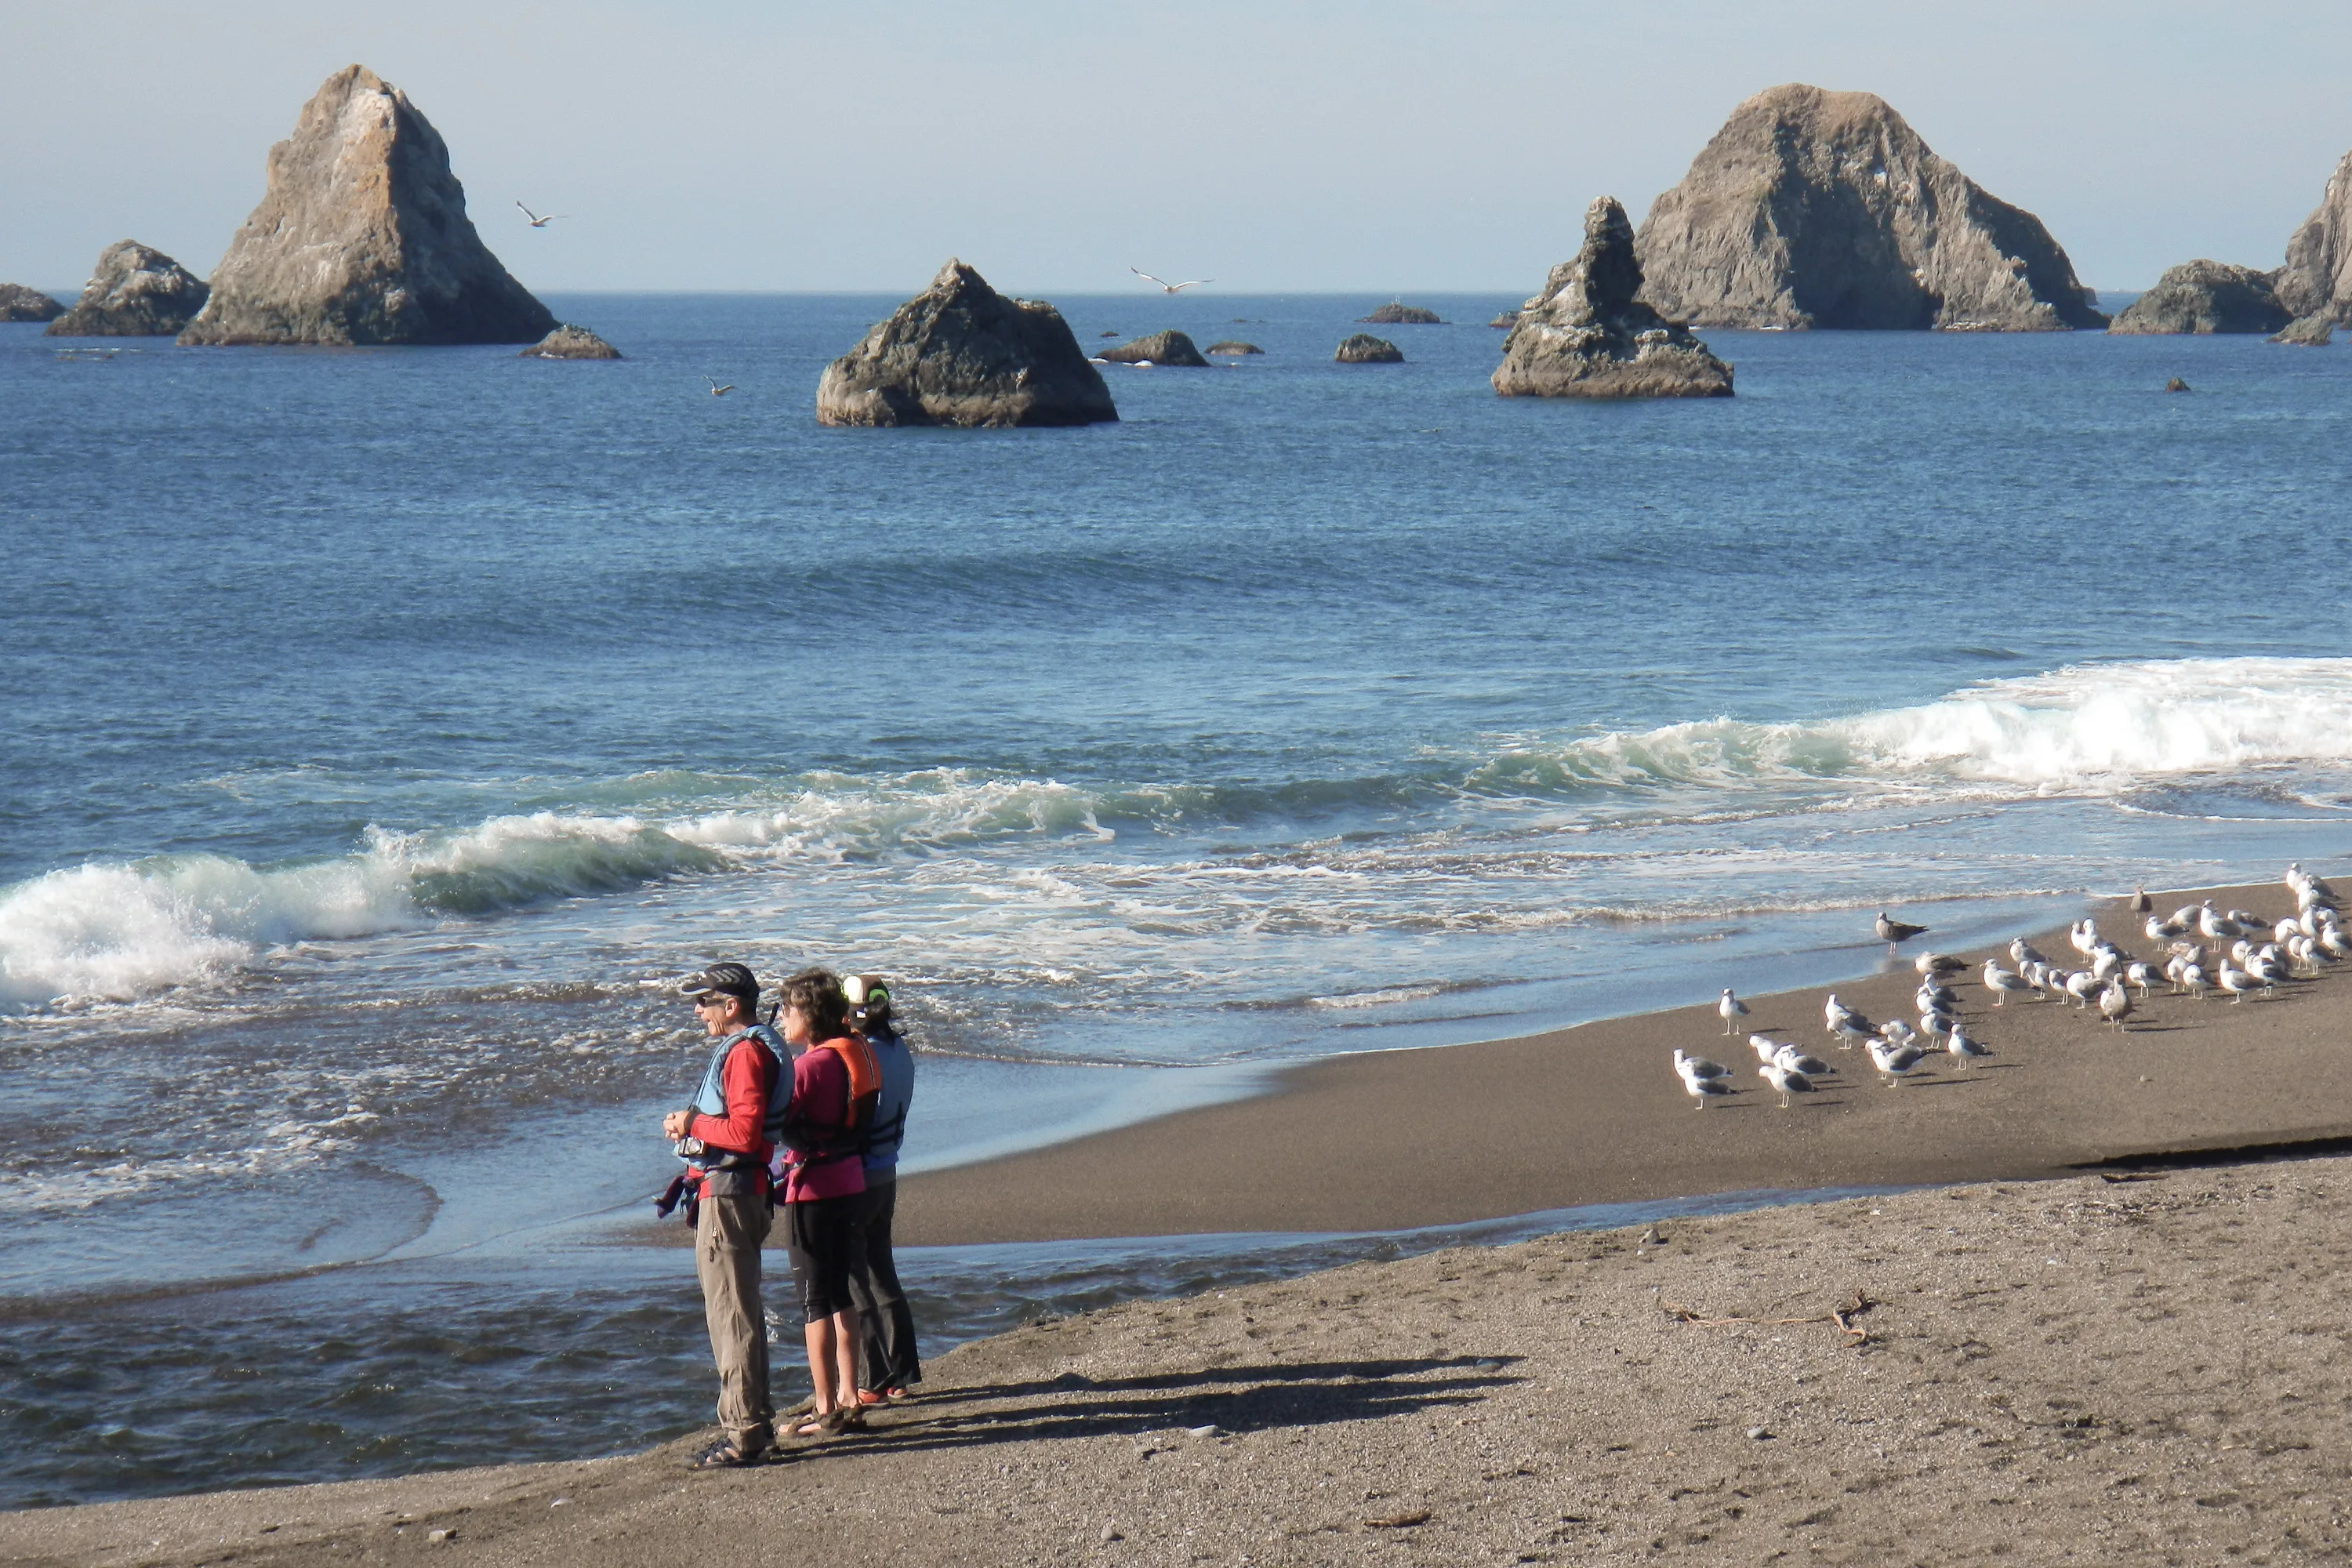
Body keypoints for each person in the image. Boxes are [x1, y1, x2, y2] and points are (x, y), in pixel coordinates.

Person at [664, 962, 784, 1468]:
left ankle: (744, 1435)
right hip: (744, 1191)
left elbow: (743, 1134)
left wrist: (691, 1121)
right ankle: (754, 1422)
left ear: (731, 1006)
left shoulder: (746, 1054)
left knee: (731, 1316)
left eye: (703, 1002)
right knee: (741, 1310)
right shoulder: (756, 1047)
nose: (697, 1011)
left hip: (730, 1196)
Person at [773, 967, 879, 1438]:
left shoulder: (808, 1066)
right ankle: (850, 1396)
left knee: (814, 1302)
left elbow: (771, 1120)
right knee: (842, 1296)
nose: (780, 1020)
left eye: (786, 1011)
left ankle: (824, 1408)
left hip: (813, 1191)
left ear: (807, 1015)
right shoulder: (851, 1054)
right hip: (852, 1182)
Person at [844, 974, 923, 1404]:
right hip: (887, 1170)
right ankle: (901, 1373)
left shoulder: (860, 1054)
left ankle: (873, 1378)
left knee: (856, 1277)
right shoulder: (899, 1049)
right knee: (882, 1271)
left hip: (858, 1175)